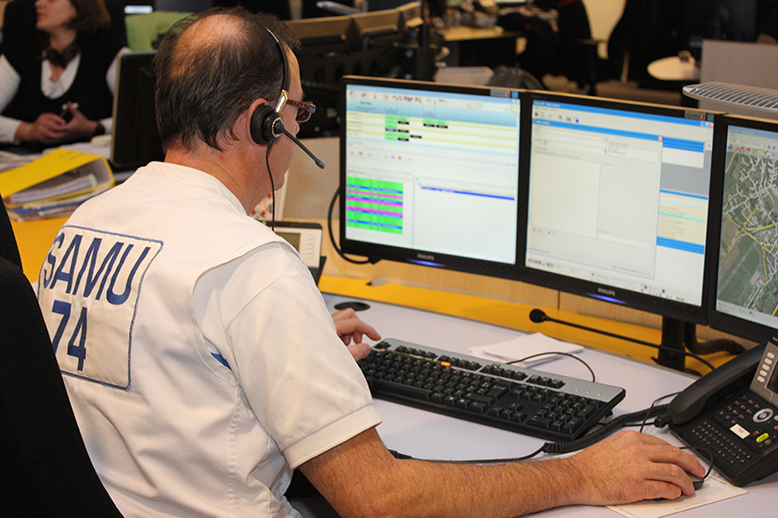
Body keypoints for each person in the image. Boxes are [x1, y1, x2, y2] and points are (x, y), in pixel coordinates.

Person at [36, 7, 706, 517]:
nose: (298, 129)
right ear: (262, 123)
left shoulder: (87, 221)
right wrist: (581, 474)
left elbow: (147, 355)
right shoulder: (249, 264)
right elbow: (379, 500)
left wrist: (287, 345)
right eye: (298, 112)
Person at [0, 0, 126, 147]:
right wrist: (27, 130)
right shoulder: (21, 49)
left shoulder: (109, 50)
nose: (39, 3)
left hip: (90, 156)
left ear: (80, 6)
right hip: (26, 156)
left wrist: (94, 128)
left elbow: (137, 118)